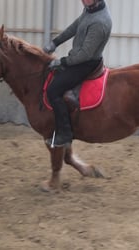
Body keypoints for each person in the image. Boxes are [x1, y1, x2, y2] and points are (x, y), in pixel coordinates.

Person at [43, 0, 112, 147]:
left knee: (53, 90)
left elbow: (84, 55)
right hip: (80, 59)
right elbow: (75, 26)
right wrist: (55, 42)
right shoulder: (90, 10)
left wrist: (61, 62)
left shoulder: (100, 22)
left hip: (85, 64)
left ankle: (65, 134)